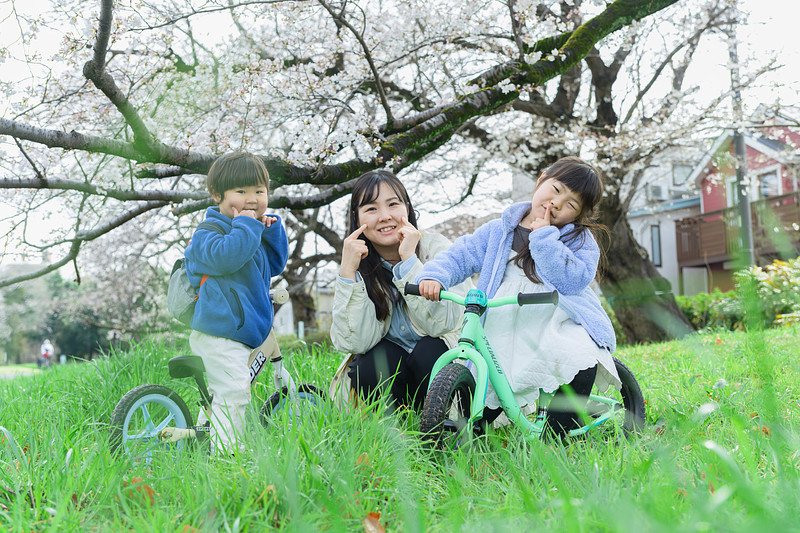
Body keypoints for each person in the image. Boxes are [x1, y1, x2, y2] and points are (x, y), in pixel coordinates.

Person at [416, 156, 620, 438]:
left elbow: (572, 280)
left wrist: (545, 238)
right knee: (488, 378)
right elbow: (462, 254)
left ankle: (558, 439)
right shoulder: (500, 230)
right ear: (541, 179)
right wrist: (435, 275)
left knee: (576, 358)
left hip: (553, 317)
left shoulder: (577, 239)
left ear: (578, 215)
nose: (558, 203)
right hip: (504, 316)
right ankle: (474, 431)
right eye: (557, 189)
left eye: (571, 204)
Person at [329, 170, 471, 410]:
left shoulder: (438, 249)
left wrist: (409, 262)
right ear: (357, 218)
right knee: (372, 361)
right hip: (393, 379)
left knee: (430, 350)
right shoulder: (356, 265)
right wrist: (348, 273)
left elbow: (441, 324)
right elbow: (353, 342)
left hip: (442, 370)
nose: (384, 216)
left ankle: (442, 429)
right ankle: (395, 430)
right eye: (371, 209)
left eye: (393, 204)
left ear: (407, 209)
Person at [184, 152, 289, 454]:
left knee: (226, 391)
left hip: (238, 334)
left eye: (259, 191)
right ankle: (228, 458)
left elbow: (275, 262)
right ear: (218, 195)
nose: (252, 199)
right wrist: (246, 225)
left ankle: (205, 440)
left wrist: (269, 229)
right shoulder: (207, 233)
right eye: (241, 192)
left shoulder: (249, 231)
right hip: (219, 334)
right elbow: (228, 256)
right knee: (234, 390)